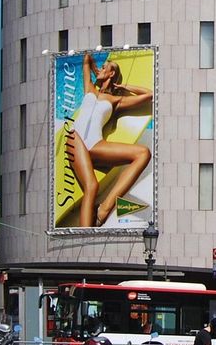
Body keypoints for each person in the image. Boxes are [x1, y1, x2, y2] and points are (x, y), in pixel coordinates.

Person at [62, 52, 153, 228]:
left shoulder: (116, 100)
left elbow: (149, 94)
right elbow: (86, 58)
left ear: (112, 74)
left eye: (105, 67)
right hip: (75, 138)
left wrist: (123, 85)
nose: (101, 69)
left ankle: (105, 207)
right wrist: (97, 69)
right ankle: (84, 234)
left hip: (96, 144)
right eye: (101, 67)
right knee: (92, 187)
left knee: (143, 153)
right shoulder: (89, 88)